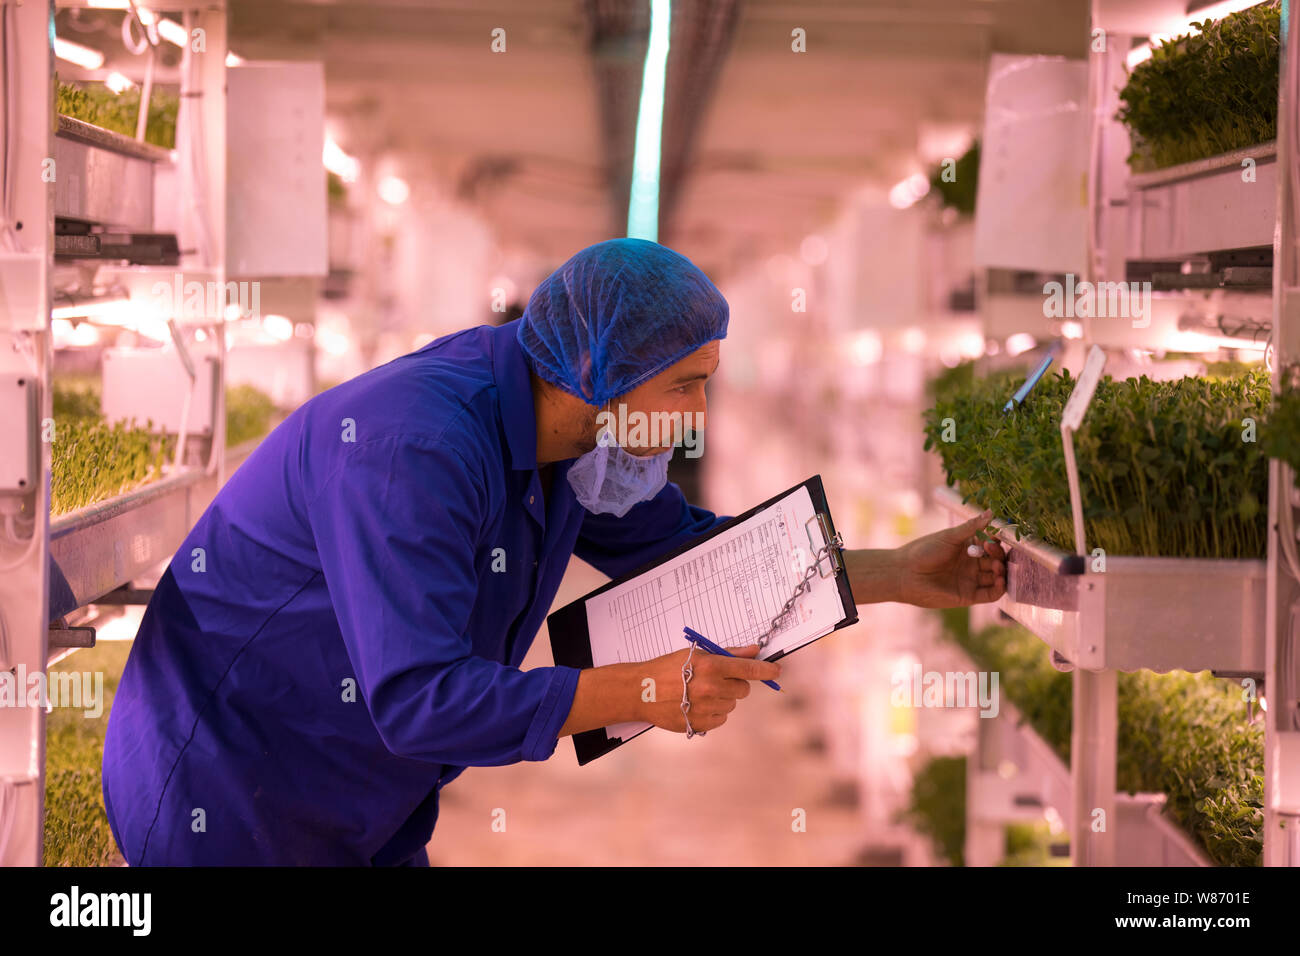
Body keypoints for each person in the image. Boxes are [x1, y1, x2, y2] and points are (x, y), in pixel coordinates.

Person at [101, 237, 1005, 865]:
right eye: (685, 386)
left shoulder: (570, 440)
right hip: (227, 784)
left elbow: (688, 556)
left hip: (359, 797)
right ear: (603, 370)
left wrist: (892, 573)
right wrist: (648, 689)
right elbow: (419, 699)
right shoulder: (410, 451)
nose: (695, 418)